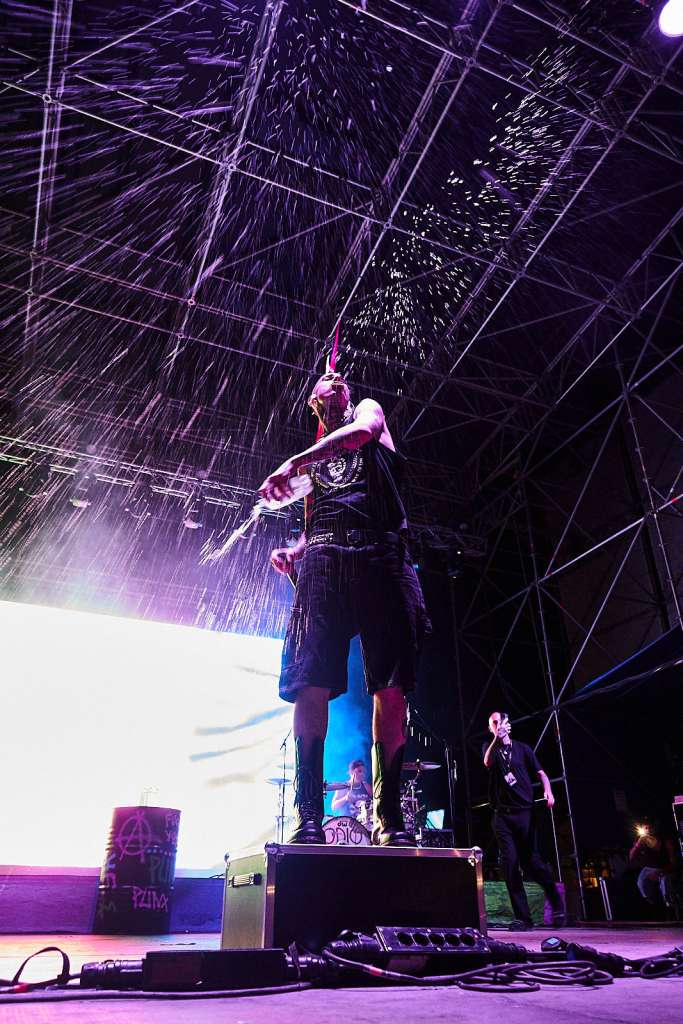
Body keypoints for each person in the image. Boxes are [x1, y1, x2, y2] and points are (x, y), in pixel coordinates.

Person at [259, 370, 429, 846]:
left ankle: (389, 818)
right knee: (308, 681)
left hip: (381, 552)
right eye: (324, 382)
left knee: (390, 685)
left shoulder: (367, 412)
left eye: (339, 380)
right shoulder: (315, 462)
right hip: (325, 556)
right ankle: (309, 816)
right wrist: (295, 551)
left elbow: (361, 433)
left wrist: (293, 462)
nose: (334, 379)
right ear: (314, 403)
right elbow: (314, 519)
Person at [483, 711, 565, 929]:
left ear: (508, 724)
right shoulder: (490, 748)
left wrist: (548, 791)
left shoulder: (523, 749)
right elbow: (487, 762)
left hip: (525, 813)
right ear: (491, 728)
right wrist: (496, 738)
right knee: (510, 864)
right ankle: (523, 918)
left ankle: (556, 902)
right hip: (502, 815)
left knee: (532, 863)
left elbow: (541, 773)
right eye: (493, 723)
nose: (497, 725)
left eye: (500, 722)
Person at [629, 822, 678, 910]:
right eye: (645, 828)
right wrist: (637, 845)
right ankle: (650, 902)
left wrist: (661, 872)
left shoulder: (665, 841)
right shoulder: (641, 841)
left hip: (664, 869)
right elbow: (631, 857)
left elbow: (673, 863)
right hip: (649, 869)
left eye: (649, 827)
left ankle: (669, 905)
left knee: (665, 884)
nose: (647, 830)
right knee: (640, 882)